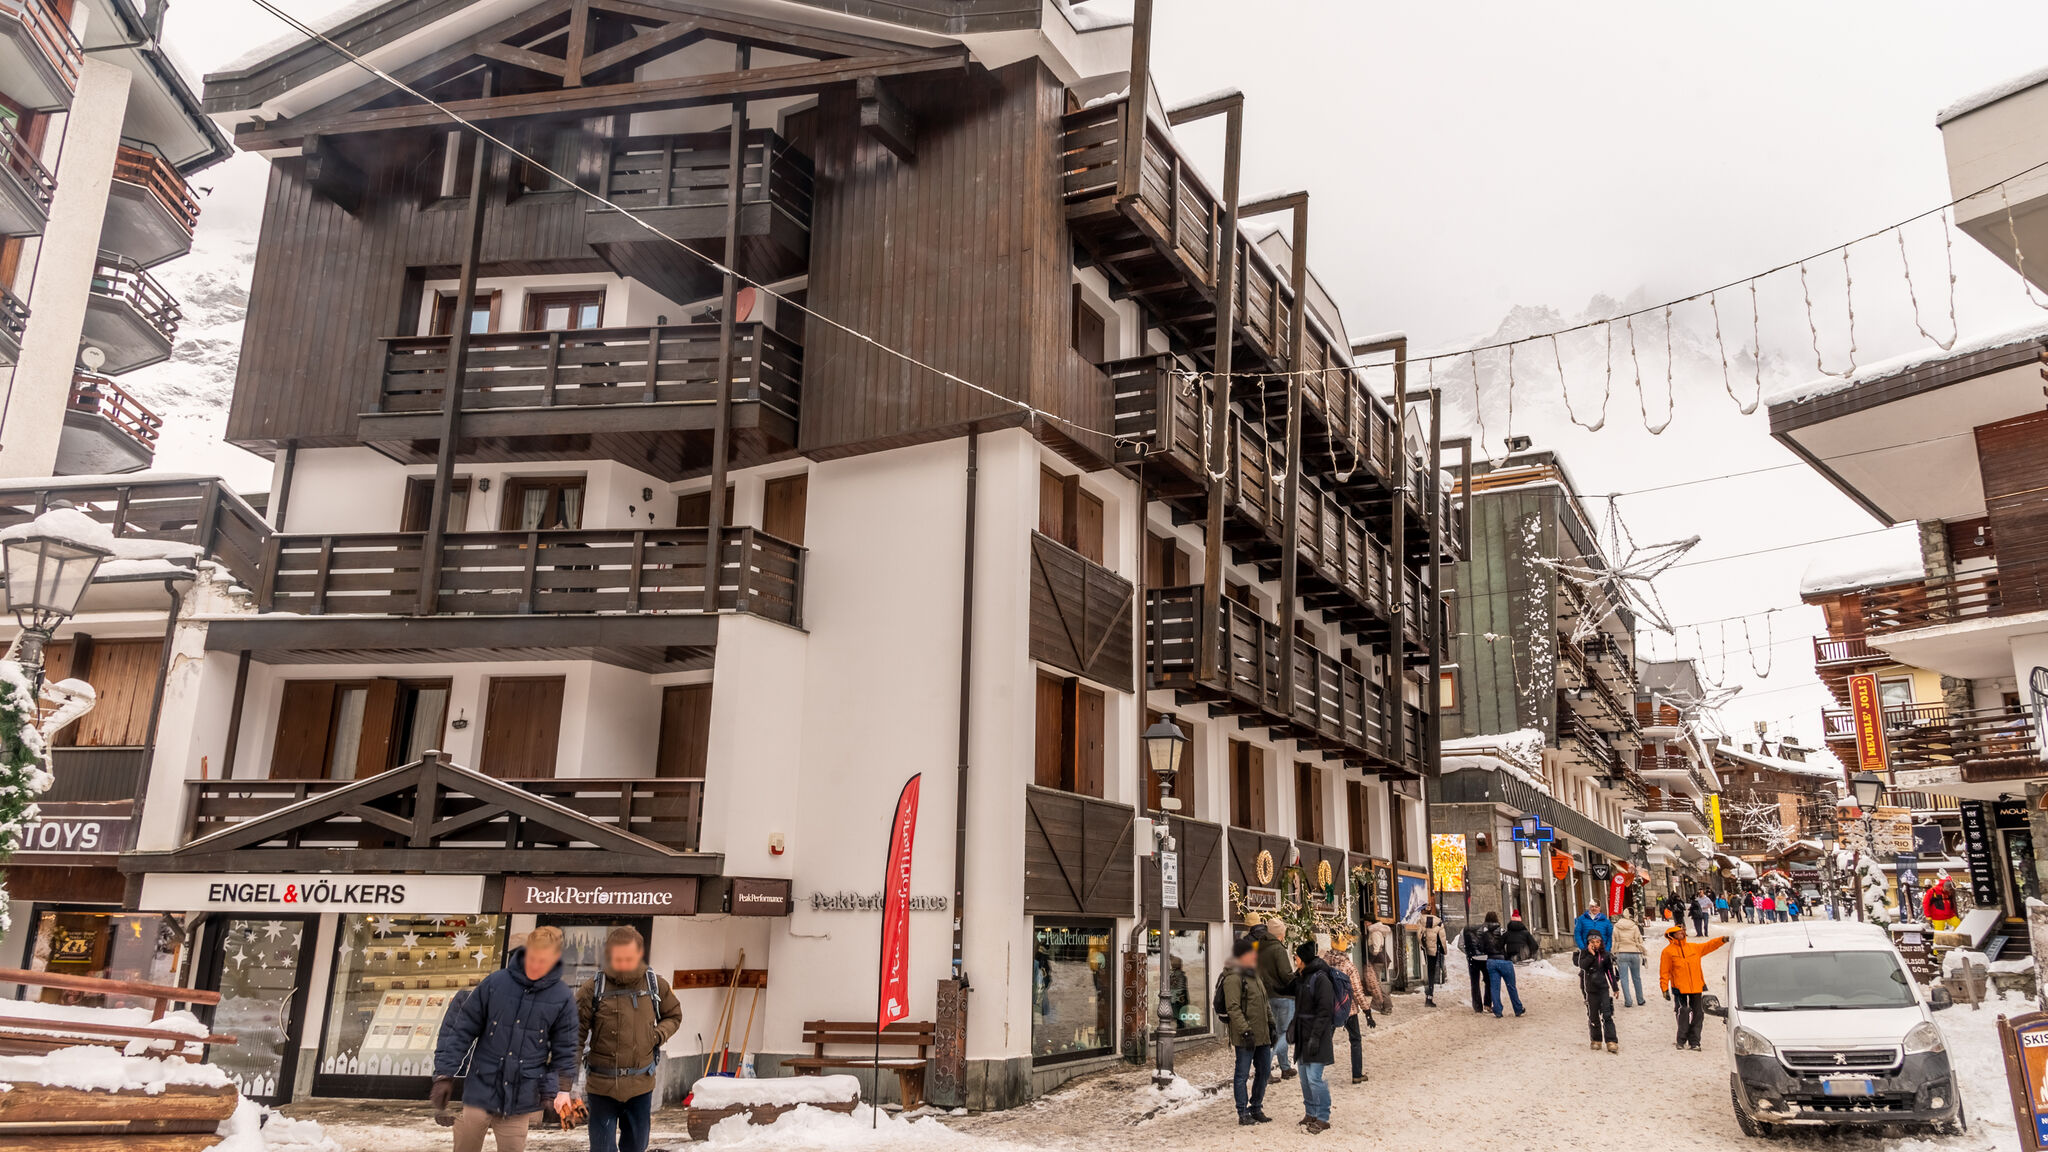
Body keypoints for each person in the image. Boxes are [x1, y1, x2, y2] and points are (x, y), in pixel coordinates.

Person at [433, 926, 580, 1152]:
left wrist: (558, 1091)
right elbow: (461, 1030)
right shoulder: (495, 983)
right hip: (481, 1089)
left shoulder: (561, 997)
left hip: (520, 1097)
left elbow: (563, 1049)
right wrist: (445, 1074)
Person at [576, 927, 680, 1152]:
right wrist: (566, 1086)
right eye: (618, 958)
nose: (624, 963)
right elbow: (574, 1035)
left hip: (640, 1085)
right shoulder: (592, 988)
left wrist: (657, 1035)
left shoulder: (655, 984)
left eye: (630, 958)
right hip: (602, 1087)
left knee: (636, 1147)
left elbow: (674, 1015)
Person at [1217, 938, 1275, 1126]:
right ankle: (1242, 1112)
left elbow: (1264, 1002)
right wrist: (1246, 1031)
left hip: (1263, 1034)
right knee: (1242, 1075)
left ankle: (1256, 1107)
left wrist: (1271, 1025)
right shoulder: (1233, 977)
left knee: (1264, 1071)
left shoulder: (1254, 974)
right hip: (1246, 1036)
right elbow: (1233, 1007)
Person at [1289, 942, 1338, 1134]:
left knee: (1314, 1078)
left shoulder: (1321, 979)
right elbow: (1287, 989)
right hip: (1303, 1034)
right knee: (1303, 1078)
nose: (1295, 960)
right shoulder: (1303, 977)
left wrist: (1316, 1037)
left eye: (1296, 957)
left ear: (1303, 959)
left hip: (1317, 1035)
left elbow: (1325, 1011)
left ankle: (1323, 1117)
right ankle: (1310, 1112)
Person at [1659, 923, 1728, 1051]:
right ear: (1672, 936)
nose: (1682, 934)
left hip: (1696, 986)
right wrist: (1664, 988)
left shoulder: (1693, 947)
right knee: (1683, 1013)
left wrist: (1722, 940)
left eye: (1682, 932)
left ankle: (1695, 1041)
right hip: (1679, 988)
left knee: (1698, 1015)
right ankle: (1681, 1040)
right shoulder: (1667, 952)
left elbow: (1709, 946)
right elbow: (1664, 971)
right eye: (1679, 933)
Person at [1250, 917, 1297, 1080]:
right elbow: (1285, 974)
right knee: (1283, 1033)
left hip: (1267, 996)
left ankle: (1284, 1068)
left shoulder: (1259, 948)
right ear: (1280, 934)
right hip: (1283, 996)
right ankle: (1265, 1070)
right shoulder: (1278, 949)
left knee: (1274, 1033)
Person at [1322, 944, 1369, 1084]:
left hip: (1329, 1008)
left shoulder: (1324, 963)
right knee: (1355, 1040)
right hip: (1348, 1008)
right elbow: (1357, 990)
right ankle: (1357, 1074)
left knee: (1325, 1041)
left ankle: (1316, 1073)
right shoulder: (1348, 966)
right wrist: (1367, 1009)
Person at [1575, 932, 1621, 1054]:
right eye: (1592, 942)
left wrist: (1615, 987)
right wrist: (1591, 955)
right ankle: (1596, 1039)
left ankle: (1611, 1041)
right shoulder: (1584, 954)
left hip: (1603, 988)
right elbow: (1583, 966)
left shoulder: (1605, 955)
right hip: (1591, 990)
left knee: (1607, 1014)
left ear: (1601, 942)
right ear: (1588, 943)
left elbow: (1610, 972)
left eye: (1597, 942)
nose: (1595, 944)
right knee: (1593, 1015)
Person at [1483, 913, 1525, 1018]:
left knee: (1494, 987)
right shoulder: (1503, 932)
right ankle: (1518, 1008)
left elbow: (1481, 947)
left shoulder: (1484, 934)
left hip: (1491, 961)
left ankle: (1497, 1010)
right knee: (1511, 986)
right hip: (1504, 961)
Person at [1415, 904, 1450, 1007]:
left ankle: (1428, 994)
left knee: (1426, 973)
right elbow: (1442, 938)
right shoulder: (1438, 922)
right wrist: (1444, 950)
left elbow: (1418, 935)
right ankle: (1430, 996)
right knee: (1431, 973)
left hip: (1425, 950)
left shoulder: (1420, 921)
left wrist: (1423, 945)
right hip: (1434, 950)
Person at [1460, 916, 1496, 1014]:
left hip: (1473, 959)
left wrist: (1468, 953)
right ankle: (1488, 1004)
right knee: (1488, 981)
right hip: (1485, 958)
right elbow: (1490, 942)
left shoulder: (1464, 930)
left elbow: (1460, 945)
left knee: (1474, 983)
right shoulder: (1485, 929)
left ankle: (1477, 1007)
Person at [1610, 913, 1647, 1007]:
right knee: (1637, 977)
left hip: (1621, 953)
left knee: (1624, 978)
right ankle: (1640, 999)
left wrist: (1613, 952)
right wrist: (1643, 952)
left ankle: (1628, 1001)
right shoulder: (1634, 926)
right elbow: (1639, 940)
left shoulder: (1616, 927)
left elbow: (1614, 940)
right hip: (1634, 952)